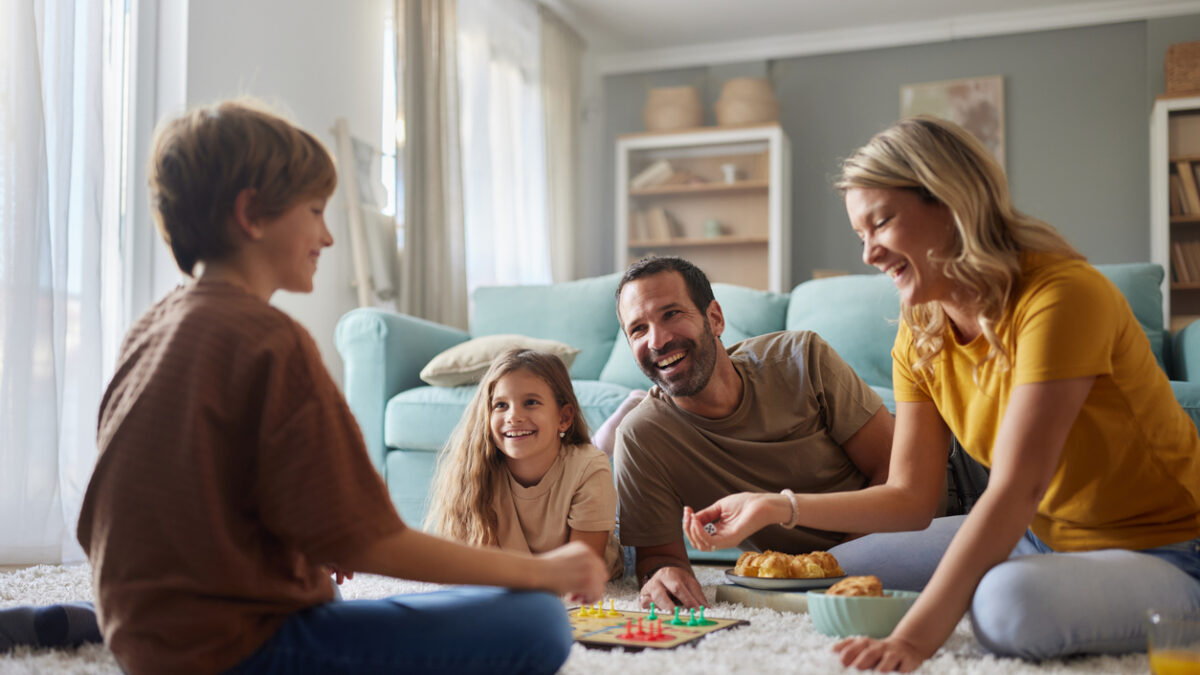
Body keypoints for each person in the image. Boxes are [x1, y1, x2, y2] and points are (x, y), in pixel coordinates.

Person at [64, 99, 606, 675]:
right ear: (252, 214)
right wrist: (545, 573)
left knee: (352, 595)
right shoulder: (271, 340)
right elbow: (373, 544)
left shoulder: (151, 329)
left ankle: (72, 619)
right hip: (233, 651)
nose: (326, 235)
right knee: (537, 620)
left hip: (142, 637)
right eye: (316, 210)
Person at [684, 116, 1200, 668]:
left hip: (1166, 549)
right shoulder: (922, 328)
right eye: (860, 234)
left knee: (1004, 607)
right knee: (836, 571)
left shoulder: (1061, 297)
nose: (869, 253)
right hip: (1039, 535)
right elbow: (911, 496)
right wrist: (777, 507)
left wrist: (912, 640)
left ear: (952, 204)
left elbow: (1016, 488)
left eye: (880, 223)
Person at [613, 255, 933, 610]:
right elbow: (658, 558)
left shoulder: (801, 359)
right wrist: (662, 575)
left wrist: (833, 566)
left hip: (950, 493)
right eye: (638, 329)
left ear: (715, 318)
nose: (657, 340)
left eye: (671, 314)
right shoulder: (642, 437)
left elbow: (892, 470)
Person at [426, 348, 624, 580]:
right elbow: (482, 571)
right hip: (533, 569)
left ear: (564, 418)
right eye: (500, 405)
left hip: (609, 553)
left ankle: (614, 431)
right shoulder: (478, 471)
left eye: (530, 402)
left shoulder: (589, 468)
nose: (513, 416)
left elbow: (579, 572)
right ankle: (603, 439)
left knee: (594, 462)